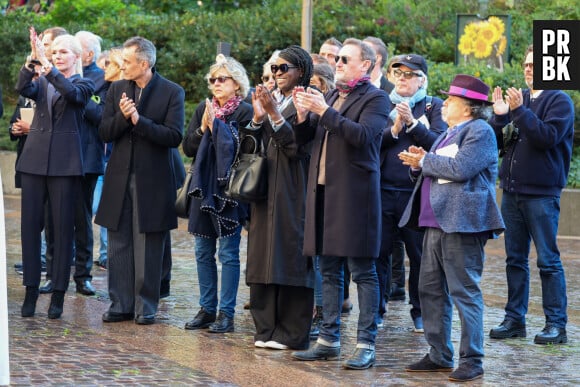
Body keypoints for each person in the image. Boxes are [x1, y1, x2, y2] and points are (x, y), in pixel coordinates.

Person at [291, 38, 389, 370]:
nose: (339, 64)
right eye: (339, 60)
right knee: (328, 268)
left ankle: (366, 344)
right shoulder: (332, 95)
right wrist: (304, 117)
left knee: (363, 271)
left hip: (354, 198)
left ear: (368, 65)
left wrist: (324, 112)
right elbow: (308, 141)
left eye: (346, 59)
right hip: (323, 195)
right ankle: (328, 340)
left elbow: (362, 137)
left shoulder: (376, 98)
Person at [398, 74, 504, 382]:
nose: (445, 103)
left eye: (453, 100)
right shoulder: (450, 132)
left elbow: (460, 169)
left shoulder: (480, 131)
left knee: (464, 292)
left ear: (470, 107)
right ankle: (439, 354)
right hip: (435, 222)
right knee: (429, 290)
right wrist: (418, 163)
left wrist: (425, 161)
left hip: (462, 224)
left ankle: (472, 359)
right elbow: (435, 170)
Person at [488, 45, 574, 345]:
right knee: (514, 259)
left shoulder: (559, 100)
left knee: (548, 261)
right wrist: (500, 117)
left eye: (535, 65)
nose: (528, 69)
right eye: (526, 64)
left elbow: (546, 137)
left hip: (541, 194)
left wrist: (518, 111)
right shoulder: (519, 100)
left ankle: (556, 325)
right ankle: (514, 320)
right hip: (511, 193)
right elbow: (498, 143)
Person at [96, 36, 184, 325]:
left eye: (128, 62)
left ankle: (145, 306)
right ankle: (120, 304)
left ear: (144, 64)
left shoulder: (172, 92)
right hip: (119, 176)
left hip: (154, 179)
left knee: (148, 243)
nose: (122, 66)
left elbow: (173, 136)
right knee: (119, 240)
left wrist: (138, 121)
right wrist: (123, 117)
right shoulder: (117, 88)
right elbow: (105, 131)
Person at [17, 28, 95, 319]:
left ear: (76, 57)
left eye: (64, 52)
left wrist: (49, 70)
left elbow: (73, 95)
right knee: (29, 228)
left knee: (62, 230)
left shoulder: (84, 83)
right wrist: (31, 63)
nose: (58, 56)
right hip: (34, 161)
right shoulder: (43, 82)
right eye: (54, 52)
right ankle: (31, 289)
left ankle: (59, 293)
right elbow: (23, 88)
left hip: (65, 164)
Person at [242, 45, 315, 350]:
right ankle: (265, 328)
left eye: (283, 68)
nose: (277, 74)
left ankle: (291, 332)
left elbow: (295, 149)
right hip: (264, 188)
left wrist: (273, 113)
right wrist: (259, 118)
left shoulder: (308, 101)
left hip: (294, 189)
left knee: (290, 254)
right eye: (274, 68)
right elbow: (248, 149)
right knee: (262, 255)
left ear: (301, 71)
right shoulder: (272, 100)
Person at [182, 54, 252, 333]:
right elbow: (188, 147)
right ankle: (207, 308)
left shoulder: (245, 111)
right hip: (203, 188)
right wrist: (203, 128)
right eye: (212, 80)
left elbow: (247, 152)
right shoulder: (204, 108)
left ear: (237, 83)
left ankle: (226, 313)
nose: (216, 84)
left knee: (228, 253)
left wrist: (219, 129)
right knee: (202, 250)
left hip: (229, 190)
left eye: (222, 79)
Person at [377, 54, 446, 332]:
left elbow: (439, 145)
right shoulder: (381, 103)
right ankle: (377, 309)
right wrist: (394, 129)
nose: (403, 78)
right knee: (379, 254)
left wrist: (414, 124)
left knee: (419, 257)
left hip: (416, 193)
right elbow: (370, 142)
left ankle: (419, 311)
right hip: (383, 190)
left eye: (409, 74)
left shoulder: (433, 106)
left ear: (422, 80)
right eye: (398, 73)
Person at [69, 30, 108, 296]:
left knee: (83, 220)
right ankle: (54, 273)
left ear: (88, 55)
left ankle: (82, 276)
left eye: (74, 49)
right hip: (58, 157)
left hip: (87, 158)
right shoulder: (58, 78)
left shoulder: (102, 79)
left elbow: (102, 115)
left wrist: (79, 94)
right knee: (55, 219)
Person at [92, 47, 123, 270]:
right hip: (98, 158)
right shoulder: (103, 87)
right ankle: (105, 253)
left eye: (109, 64)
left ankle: (107, 255)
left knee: (107, 208)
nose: (104, 69)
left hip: (115, 160)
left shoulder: (126, 92)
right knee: (97, 207)